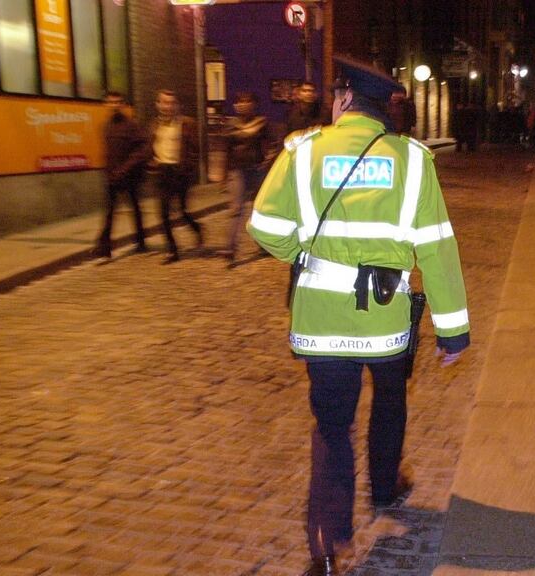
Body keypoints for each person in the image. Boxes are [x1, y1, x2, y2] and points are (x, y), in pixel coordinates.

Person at [247, 55, 470, 576]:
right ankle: (386, 483)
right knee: (390, 399)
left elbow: (263, 225)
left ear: (343, 97)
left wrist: (302, 248)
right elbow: (437, 249)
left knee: (331, 427)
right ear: (382, 106)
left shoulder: (302, 152)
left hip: (322, 321)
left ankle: (327, 546)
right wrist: (454, 330)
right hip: (386, 322)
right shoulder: (414, 162)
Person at [93, 92, 149, 259]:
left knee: (135, 209)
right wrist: (108, 170)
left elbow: (142, 149)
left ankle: (140, 241)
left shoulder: (131, 125)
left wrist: (127, 167)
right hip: (112, 176)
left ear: (122, 104)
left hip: (129, 176)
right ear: (106, 104)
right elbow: (109, 152)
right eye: (110, 102)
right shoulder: (105, 126)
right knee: (109, 212)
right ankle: (105, 248)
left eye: (117, 102)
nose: (114, 105)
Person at [149, 89, 202, 264]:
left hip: (180, 172)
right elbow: (151, 145)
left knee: (182, 211)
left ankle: (196, 228)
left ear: (177, 105)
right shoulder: (154, 125)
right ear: (158, 104)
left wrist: (188, 170)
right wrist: (153, 161)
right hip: (163, 172)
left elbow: (195, 150)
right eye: (164, 102)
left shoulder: (186, 124)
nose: (167, 106)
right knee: (163, 213)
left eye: (171, 103)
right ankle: (172, 250)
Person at [220, 92, 271, 265]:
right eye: (240, 102)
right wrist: (224, 175)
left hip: (257, 170)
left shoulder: (262, 122)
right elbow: (226, 150)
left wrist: (266, 161)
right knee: (236, 210)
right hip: (237, 172)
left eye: (247, 101)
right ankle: (230, 248)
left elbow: (273, 144)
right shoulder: (231, 125)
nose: (243, 105)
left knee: (260, 210)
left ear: (253, 104)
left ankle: (262, 244)